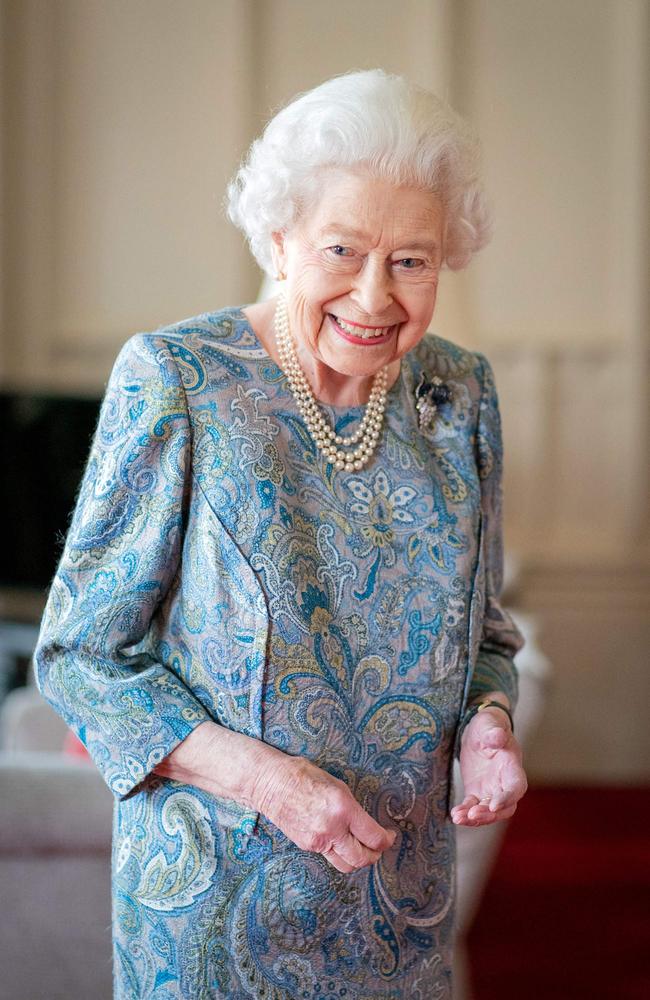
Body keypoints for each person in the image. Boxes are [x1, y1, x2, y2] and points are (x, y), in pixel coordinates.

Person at [35, 69, 527, 999]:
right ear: (277, 238)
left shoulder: (457, 394)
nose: (376, 297)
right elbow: (78, 656)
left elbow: (488, 635)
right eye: (342, 249)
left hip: (398, 911)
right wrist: (271, 785)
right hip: (215, 915)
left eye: (412, 260)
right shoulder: (177, 380)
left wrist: (489, 725)